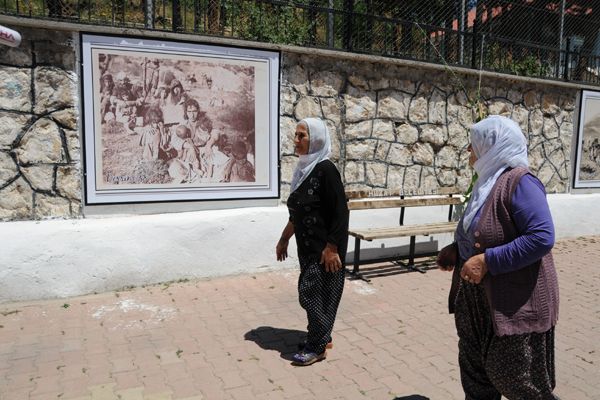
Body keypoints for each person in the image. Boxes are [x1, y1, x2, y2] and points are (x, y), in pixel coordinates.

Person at [437, 115, 559, 400]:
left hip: (513, 305)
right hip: (475, 303)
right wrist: (458, 249)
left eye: (474, 143)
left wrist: (488, 261)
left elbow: (542, 237)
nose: (469, 149)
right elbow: (487, 227)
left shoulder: (520, 182)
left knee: (518, 381)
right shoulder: (485, 183)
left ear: (493, 145)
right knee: (476, 374)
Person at [276, 118, 349, 366]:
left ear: (315, 139)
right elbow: (298, 212)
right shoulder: (304, 169)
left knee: (309, 294)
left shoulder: (326, 170)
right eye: (295, 136)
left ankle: (317, 347)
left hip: (325, 250)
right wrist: (284, 238)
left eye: (301, 136)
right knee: (319, 295)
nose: (295, 141)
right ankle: (321, 336)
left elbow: (341, 212)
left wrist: (331, 248)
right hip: (307, 248)